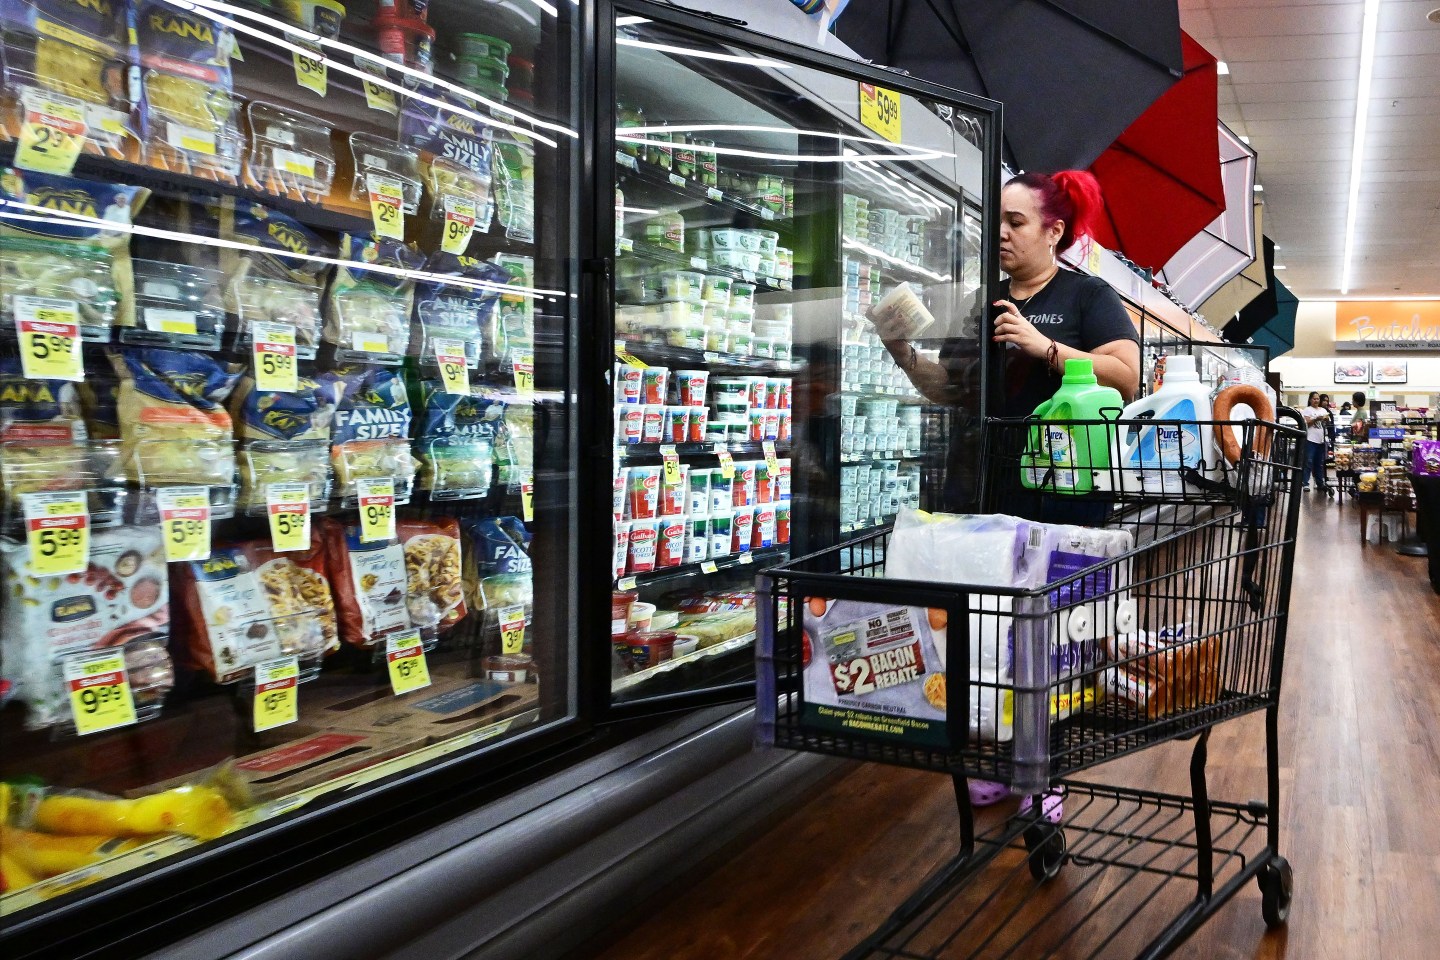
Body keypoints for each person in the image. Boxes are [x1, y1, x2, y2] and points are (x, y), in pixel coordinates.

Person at [871, 171, 1140, 819]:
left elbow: (1127, 376)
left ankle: (1044, 768)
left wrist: (1046, 348)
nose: (1001, 234)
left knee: (1048, 637)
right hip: (983, 494)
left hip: (1063, 496)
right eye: (996, 221)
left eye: (1016, 222)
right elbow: (950, 389)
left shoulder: (1086, 295)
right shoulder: (980, 303)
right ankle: (997, 756)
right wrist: (903, 351)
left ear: (1054, 230)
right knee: (988, 632)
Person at [1301, 391, 1331, 493]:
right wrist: (1316, 418)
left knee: (1319, 463)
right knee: (1308, 462)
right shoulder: (1307, 410)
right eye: (1314, 399)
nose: (1316, 400)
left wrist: (1326, 419)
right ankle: (1305, 483)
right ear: (1310, 400)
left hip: (1321, 440)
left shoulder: (1323, 410)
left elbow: (1328, 421)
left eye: (1318, 399)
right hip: (1310, 440)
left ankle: (1320, 483)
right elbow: (1307, 423)